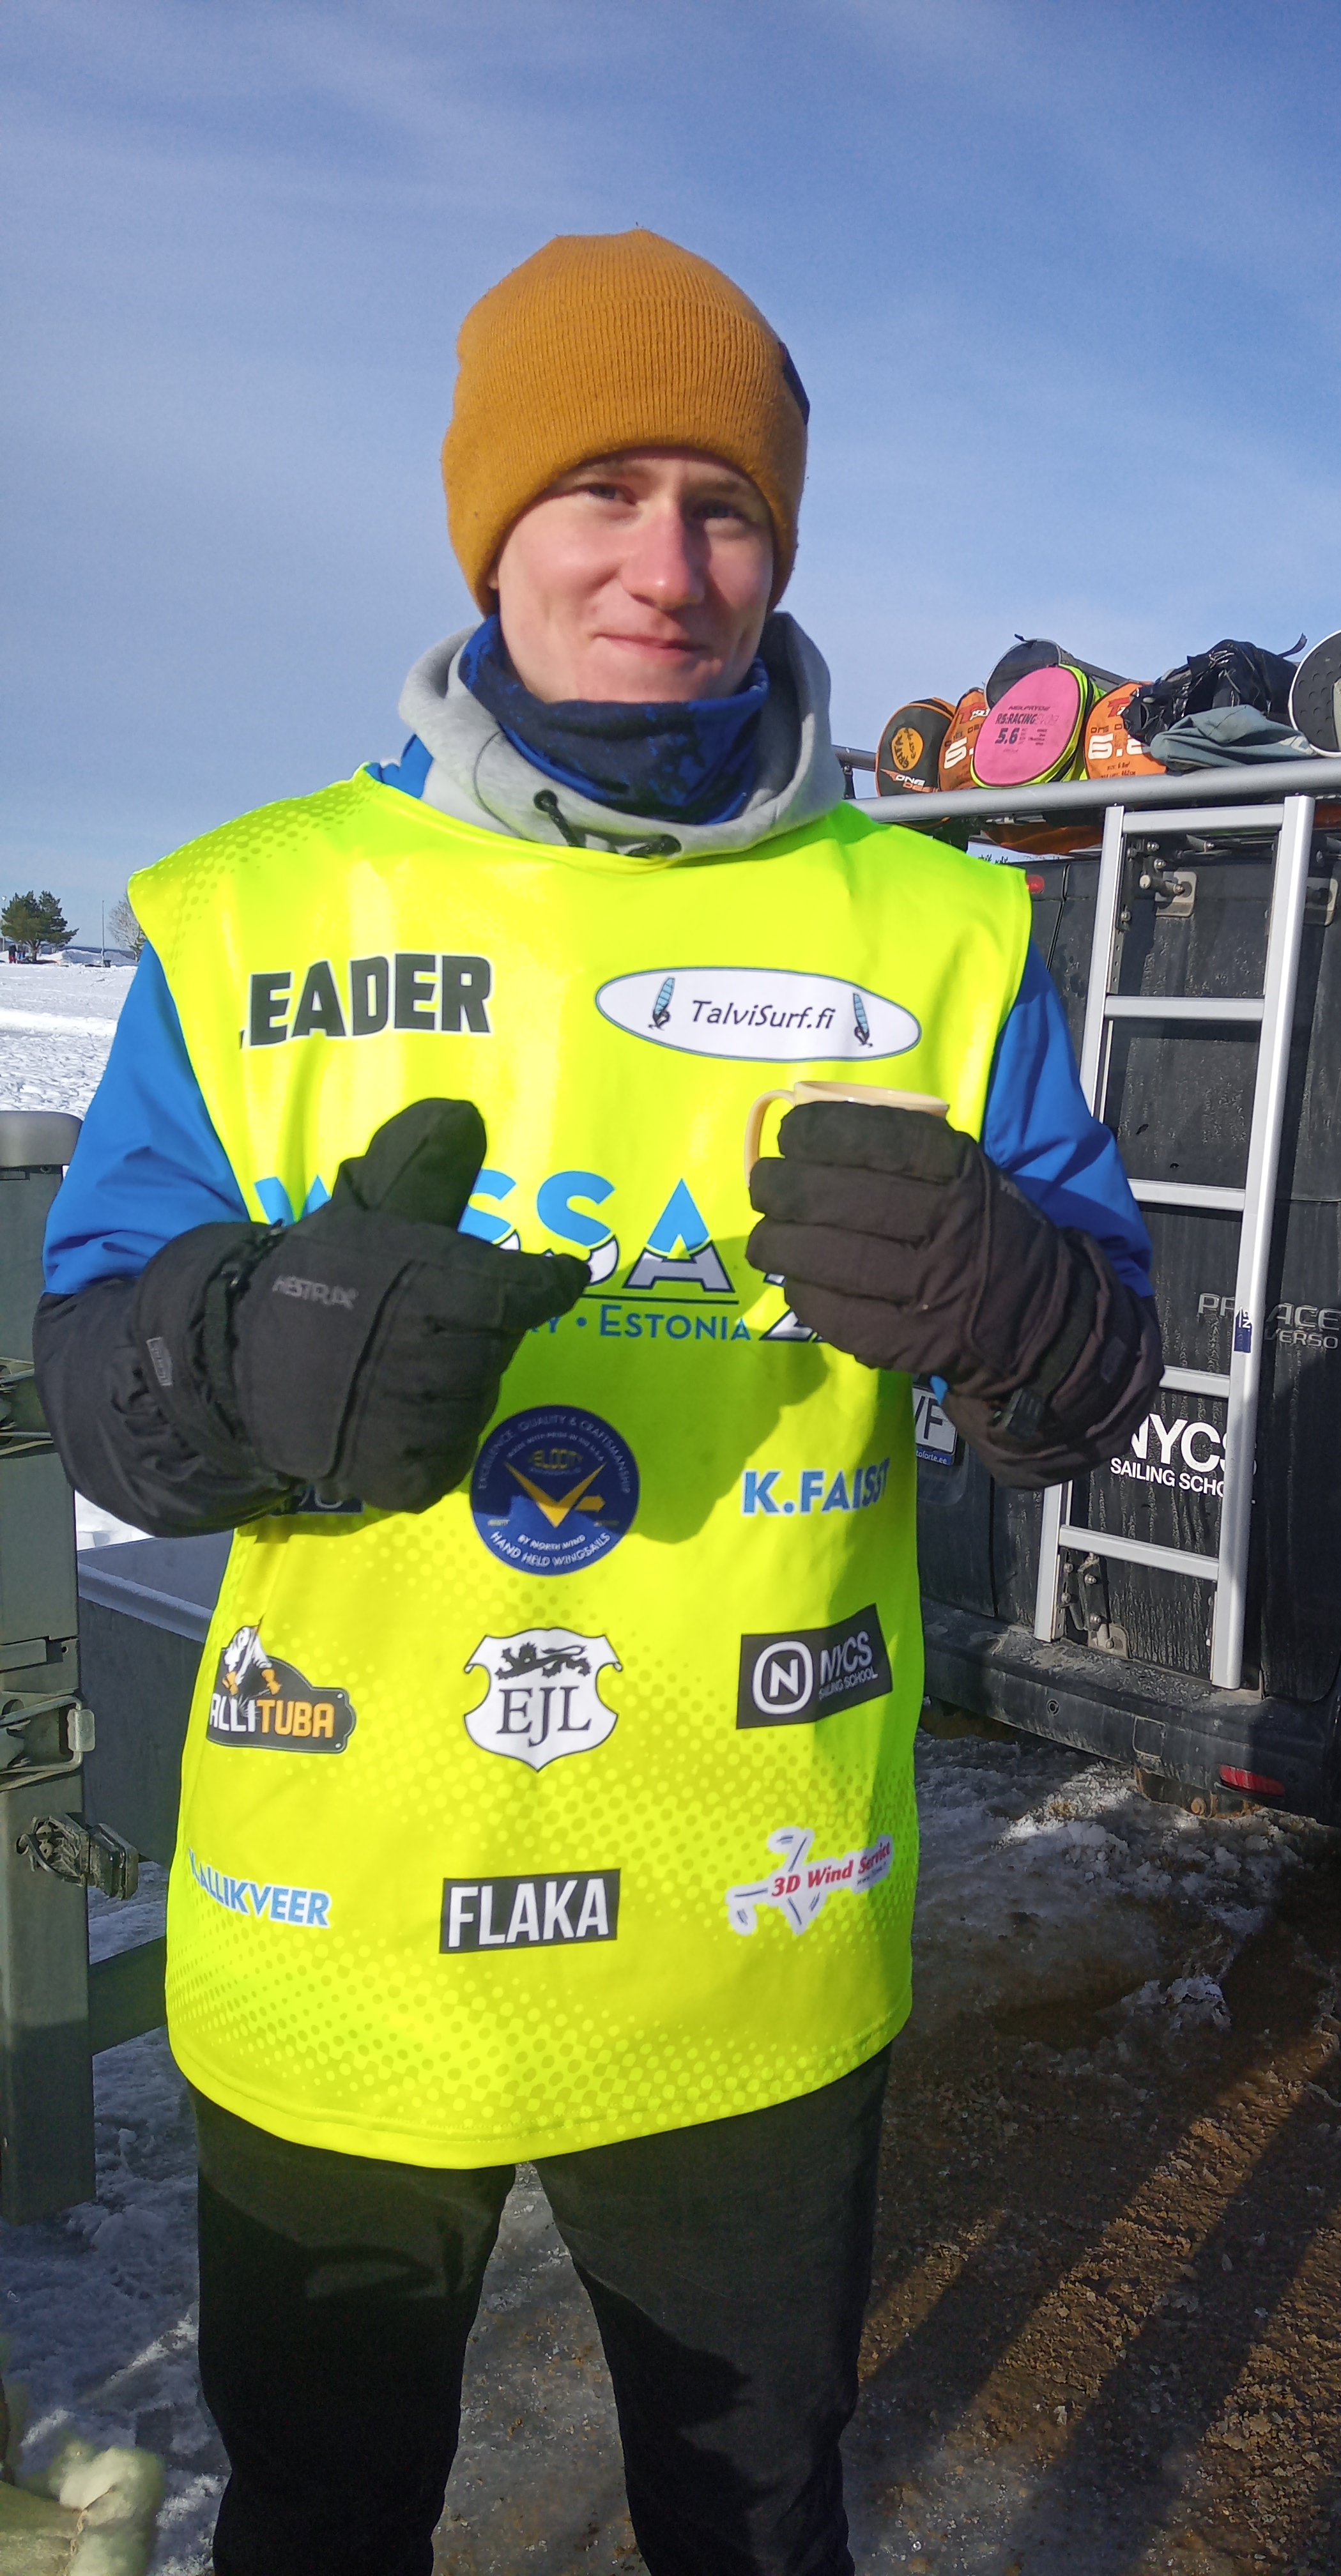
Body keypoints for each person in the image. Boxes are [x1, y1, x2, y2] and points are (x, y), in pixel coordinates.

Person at [36, 229, 1161, 2576]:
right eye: (602, 492)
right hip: (336, 1936)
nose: (667, 565)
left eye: (725, 506)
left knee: (752, 2520)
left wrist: (1010, 1297)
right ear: (490, 529)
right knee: (322, 2519)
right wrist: (235, 1352)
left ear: (783, 546)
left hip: (749, 1947)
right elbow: (96, 1379)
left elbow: (1094, 1378)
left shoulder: (942, 932)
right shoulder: (251, 913)